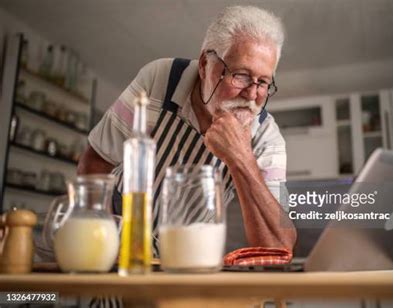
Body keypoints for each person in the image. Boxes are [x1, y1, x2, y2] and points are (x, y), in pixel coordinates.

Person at [78, 5, 296, 253]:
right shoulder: (160, 79)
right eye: (241, 75)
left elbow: (279, 247)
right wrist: (105, 241)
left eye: (263, 82)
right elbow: (95, 161)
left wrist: (241, 158)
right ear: (205, 64)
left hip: (188, 254)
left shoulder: (267, 137)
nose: (252, 94)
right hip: (118, 242)